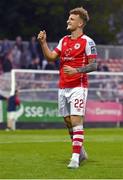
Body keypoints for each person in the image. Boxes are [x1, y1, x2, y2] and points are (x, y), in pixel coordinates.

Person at [37, 6, 97, 168]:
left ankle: (75, 159)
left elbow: (94, 66)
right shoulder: (64, 40)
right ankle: (81, 152)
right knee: (68, 121)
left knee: (76, 120)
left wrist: (76, 70)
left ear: (80, 23)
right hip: (63, 86)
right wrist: (43, 43)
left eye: (71, 19)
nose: (68, 21)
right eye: (68, 18)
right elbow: (51, 58)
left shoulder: (87, 41)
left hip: (78, 86)